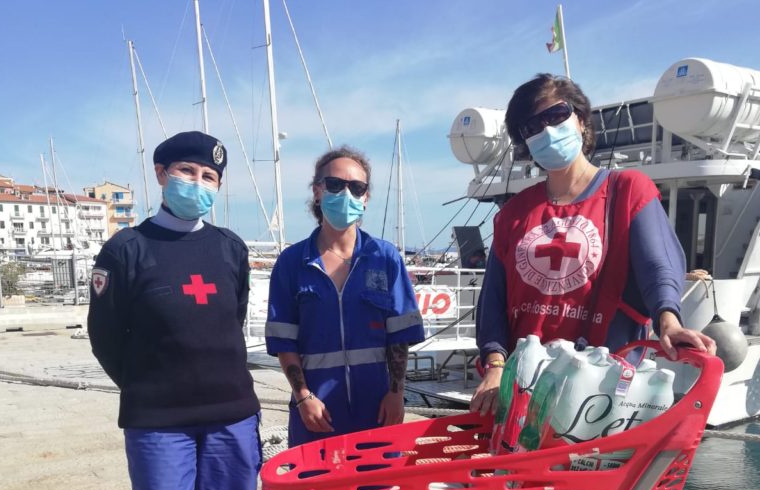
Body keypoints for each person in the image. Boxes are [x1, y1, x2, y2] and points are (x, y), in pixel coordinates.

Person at [88, 131, 262, 490]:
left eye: (210, 177)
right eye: (187, 172)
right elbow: (105, 337)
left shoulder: (231, 249)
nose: (198, 184)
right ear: (161, 174)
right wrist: (146, 387)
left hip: (231, 416)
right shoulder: (126, 250)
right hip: (157, 421)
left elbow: (230, 322)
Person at [472, 73, 716, 414]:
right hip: (523, 395)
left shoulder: (629, 189)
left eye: (555, 115)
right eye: (531, 128)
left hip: (602, 395)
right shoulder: (513, 212)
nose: (545, 131)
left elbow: (658, 264)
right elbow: (492, 301)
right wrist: (495, 367)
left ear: (582, 120)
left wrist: (669, 321)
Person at [265, 146, 425, 447]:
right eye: (336, 185)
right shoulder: (291, 263)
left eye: (357, 187)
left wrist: (396, 393)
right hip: (317, 413)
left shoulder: (386, 258)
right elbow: (284, 340)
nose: (346, 194)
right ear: (317, 191)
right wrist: (303, 398)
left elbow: (399, 334)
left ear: (365, 198)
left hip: (376, 412)